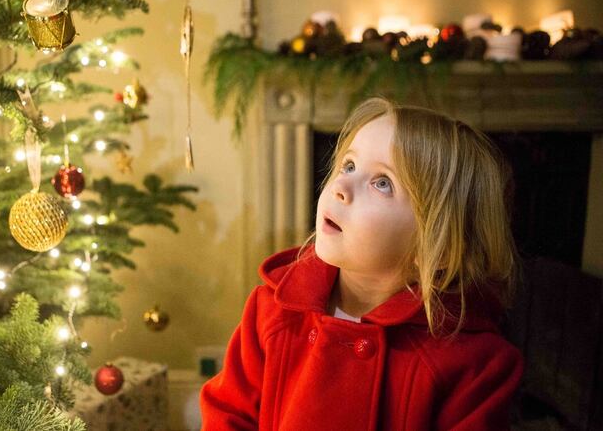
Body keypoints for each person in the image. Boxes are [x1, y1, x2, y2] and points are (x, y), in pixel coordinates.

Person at [200, 97, 525, 430]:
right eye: (349, 166)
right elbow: (228, 415)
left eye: (382, 183)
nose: (341, 187)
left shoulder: (476, 363)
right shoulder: (270, 311)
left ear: (437, 247)